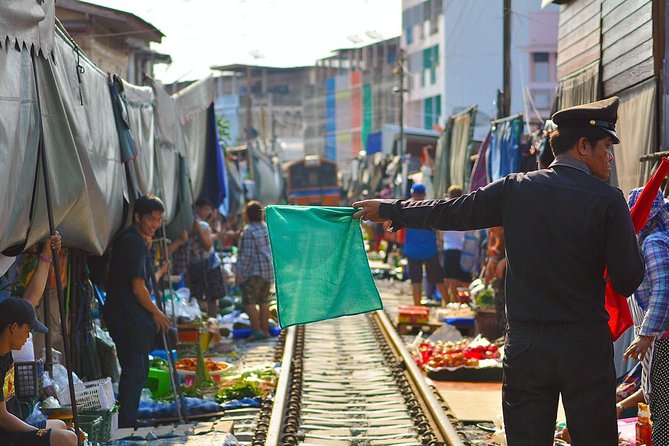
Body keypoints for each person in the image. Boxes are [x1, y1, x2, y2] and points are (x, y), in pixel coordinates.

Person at [353, 96, 645, 445]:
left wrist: (392, 208)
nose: (611, 157)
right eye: (606, 147)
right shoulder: (608, 200)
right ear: (583, 146)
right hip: (585, 347)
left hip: (527, 347)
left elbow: (451, 212)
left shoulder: (515, 189)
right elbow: (628, 280)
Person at [103, 194, 171, 428]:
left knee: (137, 368)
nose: (155, 225)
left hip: (125, 315)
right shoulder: (134, 243)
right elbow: (138, 286)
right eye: (151, 219)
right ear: (137, 217)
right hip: (127, 316)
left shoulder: (133, 240)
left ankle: (129, 417)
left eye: (159, 220)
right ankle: (127, 420)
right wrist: (157, 313)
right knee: (135, 369)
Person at [617, 188, 669, 442]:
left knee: (663, 422)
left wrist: (646, 334)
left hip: (664, 342)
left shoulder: (654, 243)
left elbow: (663, 289)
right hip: (660, 343)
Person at [0, 297, 77, 446]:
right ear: (14, 327)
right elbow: (2, 417)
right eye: (28, 330)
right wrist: (35, 432)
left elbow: (30, 298)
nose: (28, 336)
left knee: (61, 426)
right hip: (5, 436)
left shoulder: (7, 354)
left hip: (14, 427)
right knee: (68, 439)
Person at [402, 183, 450, 306]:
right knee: (438, 279)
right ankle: (449, 304)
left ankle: (417, 308)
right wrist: (440, 241)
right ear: (424, 194)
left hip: (412, 251)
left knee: (416, 282)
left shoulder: (406, 207)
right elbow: (440, 228)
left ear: (412, 193)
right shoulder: (430, 207)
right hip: (430, 250)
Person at [235, 201, 274, 340]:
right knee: (264, 301)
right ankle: (265, 331)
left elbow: (247, 255)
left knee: (249, 301)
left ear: (247, 215)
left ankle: (257, 330)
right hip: (268, 270)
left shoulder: (249, 230)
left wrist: (240, 274)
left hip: (254, 272)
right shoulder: (265, 227)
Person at [186, 198, 226, 317]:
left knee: (199, 297)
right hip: (207, 265)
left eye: (209, 209)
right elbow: (208, 246)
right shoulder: (201, 224)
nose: (208, 212)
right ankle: (212, 323)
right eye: (206, 209)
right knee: (211, 298)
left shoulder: (191, 222)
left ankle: (206, 323)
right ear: (198, 208)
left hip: (196, 265)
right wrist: (200, 231)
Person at [440, 185, 472, 302]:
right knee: (465, 280)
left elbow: (441, 233)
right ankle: (465, 303)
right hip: (465, 249)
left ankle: (454, 302)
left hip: (450, 248)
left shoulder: (445, 210)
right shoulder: (466, 209)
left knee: (452, 279)